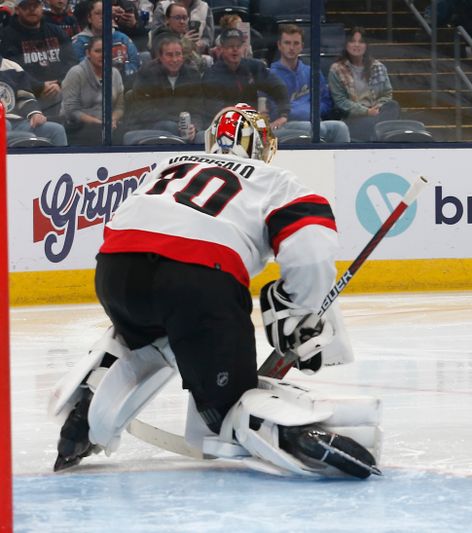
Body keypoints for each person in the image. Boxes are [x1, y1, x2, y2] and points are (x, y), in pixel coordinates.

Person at [49, 103, 381, 479]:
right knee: (226, 411)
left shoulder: (170, 164)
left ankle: (93, 397)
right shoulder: (276, 179)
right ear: (265, 147)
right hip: (197, 282)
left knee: (143, 335)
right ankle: (289, 431)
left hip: (116, 274)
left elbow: (123, 224)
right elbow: (310, 251)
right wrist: (300, 309)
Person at [269, 24, 350, 143]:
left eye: (296, 43)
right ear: (279, 45)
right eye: (287, 43)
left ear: (302, 46)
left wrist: (312, 111)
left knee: (340, 128)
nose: (291, 47)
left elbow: (326, 102)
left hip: (314, 122)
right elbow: (272, 108)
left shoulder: (312, 72)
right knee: (317, 128)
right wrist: (302, 111)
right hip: (285, 126)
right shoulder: (270, 75)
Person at [0, 0, 77, 119]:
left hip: (61, 89)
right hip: (26, 94)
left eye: (35, 5)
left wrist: (59, 83)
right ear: (17, 10)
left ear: (42, 8)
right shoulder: (7, 36)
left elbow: (72, 62)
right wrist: (40, 86)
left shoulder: (56, 31)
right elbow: (10, 70)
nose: (31, 9)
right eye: (26, 6)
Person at [202, 28, 290, 130]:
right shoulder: (212, 75)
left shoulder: (254, 67)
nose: (235, 49)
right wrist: (251, 118)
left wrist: (283, 115)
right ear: (222, 49)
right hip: (225, 130)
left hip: (257, 127)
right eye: (230, 46)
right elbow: (218, 111)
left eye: (238, 46)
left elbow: (278, 87)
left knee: (305, 127)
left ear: (244, 48)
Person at [126, 33, 205, 142]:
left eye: (178, 54)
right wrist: (178, 122)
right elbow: (143, 111)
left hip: (182, 128)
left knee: (202, 138)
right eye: (169, 55)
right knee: (169, 127)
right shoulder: (147, 73)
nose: (175, 59)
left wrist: (194, 127)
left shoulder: (192, 75)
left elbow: (198, 110)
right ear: (160, 57)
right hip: (150, 126)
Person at [328, 26, 400, 142]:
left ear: (366, 46)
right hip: (353, 117)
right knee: (376, 123)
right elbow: (341, 102)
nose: (356, 45)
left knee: (393, 105)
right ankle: (376, 134)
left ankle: (375, 131)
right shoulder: (336, 69)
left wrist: (377, 108)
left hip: (377, 113)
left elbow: (387, 94)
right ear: (346, 44)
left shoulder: (378, 67)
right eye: (352, 41)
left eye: (361, 42)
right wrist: (366, 111)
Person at [60, 35, 125, 145]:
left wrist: (112, 120)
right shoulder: (76, 73)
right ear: (88, 53)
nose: (102, 55)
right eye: (98, 51)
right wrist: (98, 123)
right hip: (78, 127)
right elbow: (71, 111)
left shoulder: (115, 73)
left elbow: (120, 106)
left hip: (108, 126)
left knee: (127, 134)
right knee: (99, 135)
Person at [1, 52, 68, 145]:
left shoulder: (13, 67)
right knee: (6, 126)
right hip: (3, 124)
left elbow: (25, 97)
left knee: (56, 130)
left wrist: (35, 113)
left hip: (18, 123)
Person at [72, 0, 141, 80]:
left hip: (124, 83)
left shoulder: (122, 38)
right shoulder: (78, 42)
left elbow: (136, 64)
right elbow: (78, 70)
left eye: (106, 12)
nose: (102, 16)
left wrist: (117, 74)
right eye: (98, 13)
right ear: (89, 18)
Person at [149, 2, 209, 72]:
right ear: (167, 19)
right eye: (177, 18)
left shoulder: (183, 36)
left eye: (185, 18)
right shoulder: (160, 36)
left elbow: (199, 63)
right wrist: (183, 44)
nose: (182, 21)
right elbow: (164, 62)